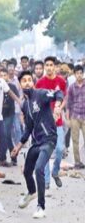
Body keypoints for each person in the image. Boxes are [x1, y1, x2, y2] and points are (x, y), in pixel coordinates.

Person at [12, 70, 64, 219]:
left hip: (49, 139)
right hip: (36, 142)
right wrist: (18, 146)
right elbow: (28, 128)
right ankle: (31, 192)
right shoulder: (25, 105)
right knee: (27, 171)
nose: (27, 82)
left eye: (29, 80)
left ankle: (41, 206)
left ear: (33, 83)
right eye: (24, 80)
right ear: (20, 84)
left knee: (39, 168)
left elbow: (58, 93)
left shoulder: (40, 94)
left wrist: (57, 106)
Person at [35, 56, 67, 188]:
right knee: (46, 151)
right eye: (46, 65)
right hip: (45, 124)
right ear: (44, 67)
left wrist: (59, 108)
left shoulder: (61, 81)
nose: (48, 67)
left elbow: (64, 97)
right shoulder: (40, 83)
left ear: (55, 67)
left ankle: (55, 171)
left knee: (59, 149)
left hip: (58, 122)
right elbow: (36, 101)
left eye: (51, 65)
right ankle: (46, 180)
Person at [67, 65, 85, 169]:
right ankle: (78, 162)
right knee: (75, 141)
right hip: (74, 116)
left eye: (80, 73)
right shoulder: (71, 87)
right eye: (77, 73)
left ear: (82, 74)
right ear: (74, 74)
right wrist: (68, 119)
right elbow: (69, 104)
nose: (79, 75)